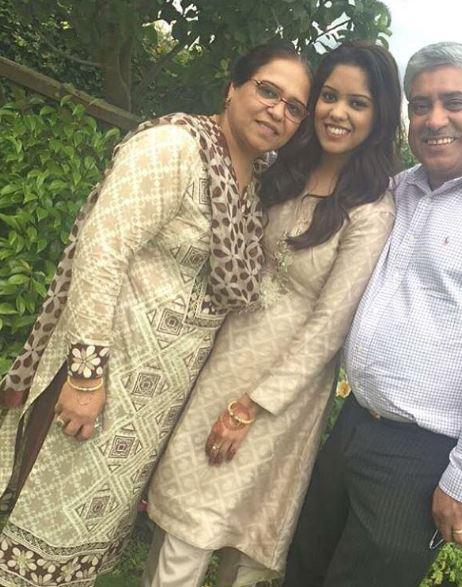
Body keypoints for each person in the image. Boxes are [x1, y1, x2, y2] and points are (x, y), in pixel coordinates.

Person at [0, 42, 311, 587]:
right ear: (232, 88)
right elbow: (103, 252)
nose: (277, 111)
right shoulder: (174, 147)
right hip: (99, 380)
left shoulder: (257, 184)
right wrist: (85, 373)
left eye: (293, 107)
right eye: (268, 90)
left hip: (151, 408)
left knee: (80, 549)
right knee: (36, 529)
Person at [283, 41, 462, 587]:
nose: (434, 119)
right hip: (353, 426)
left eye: (453, 102)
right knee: (303, 567)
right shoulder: (401, 188)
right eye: (420, 105)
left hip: (422, 456)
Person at [143, 41, 402, 587]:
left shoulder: (370, 211)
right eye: (328, 96)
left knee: (244, 542)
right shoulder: (280, 168)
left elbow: (329, 326)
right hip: (217, 358)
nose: (337, 112)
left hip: (279, 395)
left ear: (378, 118)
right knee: (183, 527)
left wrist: (252, 406)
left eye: (358, 103)